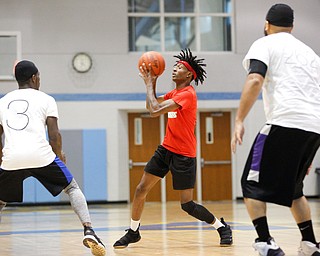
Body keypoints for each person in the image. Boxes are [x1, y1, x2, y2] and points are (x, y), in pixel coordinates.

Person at [113, 48, 233, 249]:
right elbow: (149, 106)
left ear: (189, 75)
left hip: (184, 155)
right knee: (141, 189)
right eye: (175, 66)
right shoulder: (174, 93)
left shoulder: (188, 94)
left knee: (187, 205)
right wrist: (152, 83)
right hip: (166, 149)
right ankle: (133, 231)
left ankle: (221, 227)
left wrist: (150, 83)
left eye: (179, 67)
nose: (174, 69)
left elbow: (155, 111)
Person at [231, 3, 320, 256]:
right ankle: (310, 244)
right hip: (314, 127)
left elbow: (255, 78)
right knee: (294, 189)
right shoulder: (310, 54)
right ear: (292, 26)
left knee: (250, 184)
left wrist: (239, 120)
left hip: (284, 121)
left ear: (266, 25)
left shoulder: (265, 43)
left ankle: (265, 241)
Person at [0, 60, 106, 256]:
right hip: (42, 156)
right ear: (34, 78)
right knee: (72, 187)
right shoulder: (46, 99)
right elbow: (55, 135)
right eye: (39, 76)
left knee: (0, 200)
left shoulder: (3, 101)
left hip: (12, 158)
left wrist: (2, 159)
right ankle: (89, 230)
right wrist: (59, 156)